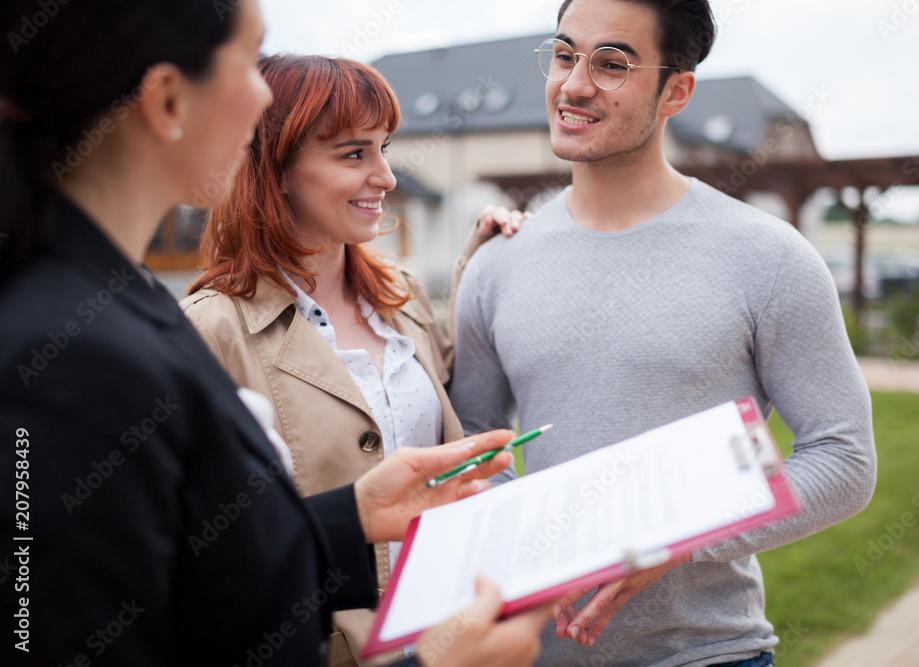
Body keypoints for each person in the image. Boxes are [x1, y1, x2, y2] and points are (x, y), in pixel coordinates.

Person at [0, 1, 548, 665]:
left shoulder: (113, 308)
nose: (262, 94)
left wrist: (351, 516)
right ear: (168, 99)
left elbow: (193, 578)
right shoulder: (71, 359)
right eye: (245, 60)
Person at [449, 0, 878, 665]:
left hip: (709, 654)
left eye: (612, 64)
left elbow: (843, 456)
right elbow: (476, 451)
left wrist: (681, 536)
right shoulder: (499, 263)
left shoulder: (767, 256)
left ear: (676, 90)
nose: (575, 85)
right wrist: (539, 547)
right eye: (564, 55)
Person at [179, 54, 524, 664]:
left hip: (450, 638)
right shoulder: (210, 329)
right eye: (353, 153)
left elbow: (449, 398)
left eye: (384, 148)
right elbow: (197, 551)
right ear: (276, 170)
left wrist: (486, 259)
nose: (387, 176)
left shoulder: (403, 300)